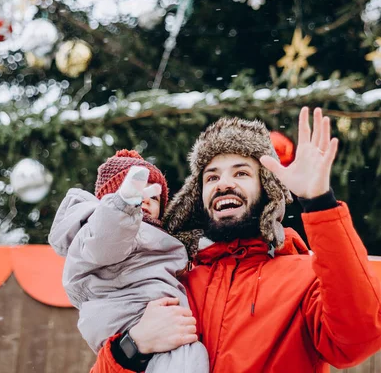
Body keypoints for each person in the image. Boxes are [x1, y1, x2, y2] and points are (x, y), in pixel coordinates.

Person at [90, 108, 381, 373]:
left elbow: (356, 339)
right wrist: (132, 347)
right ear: (197, 197)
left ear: (266, 190)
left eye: (241, 173)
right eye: (211, 177)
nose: (224, 184)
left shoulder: (307, 278)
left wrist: (319, 203)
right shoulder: (170, 279)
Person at [48, 149, 209, 373]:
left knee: (191, 357)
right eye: (136, 191)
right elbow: (108, 238)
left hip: (163, 324)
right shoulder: (100, 231)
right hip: (126, 313)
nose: (144, 200)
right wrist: (124, 205)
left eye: (153, 197)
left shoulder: (160, 238)